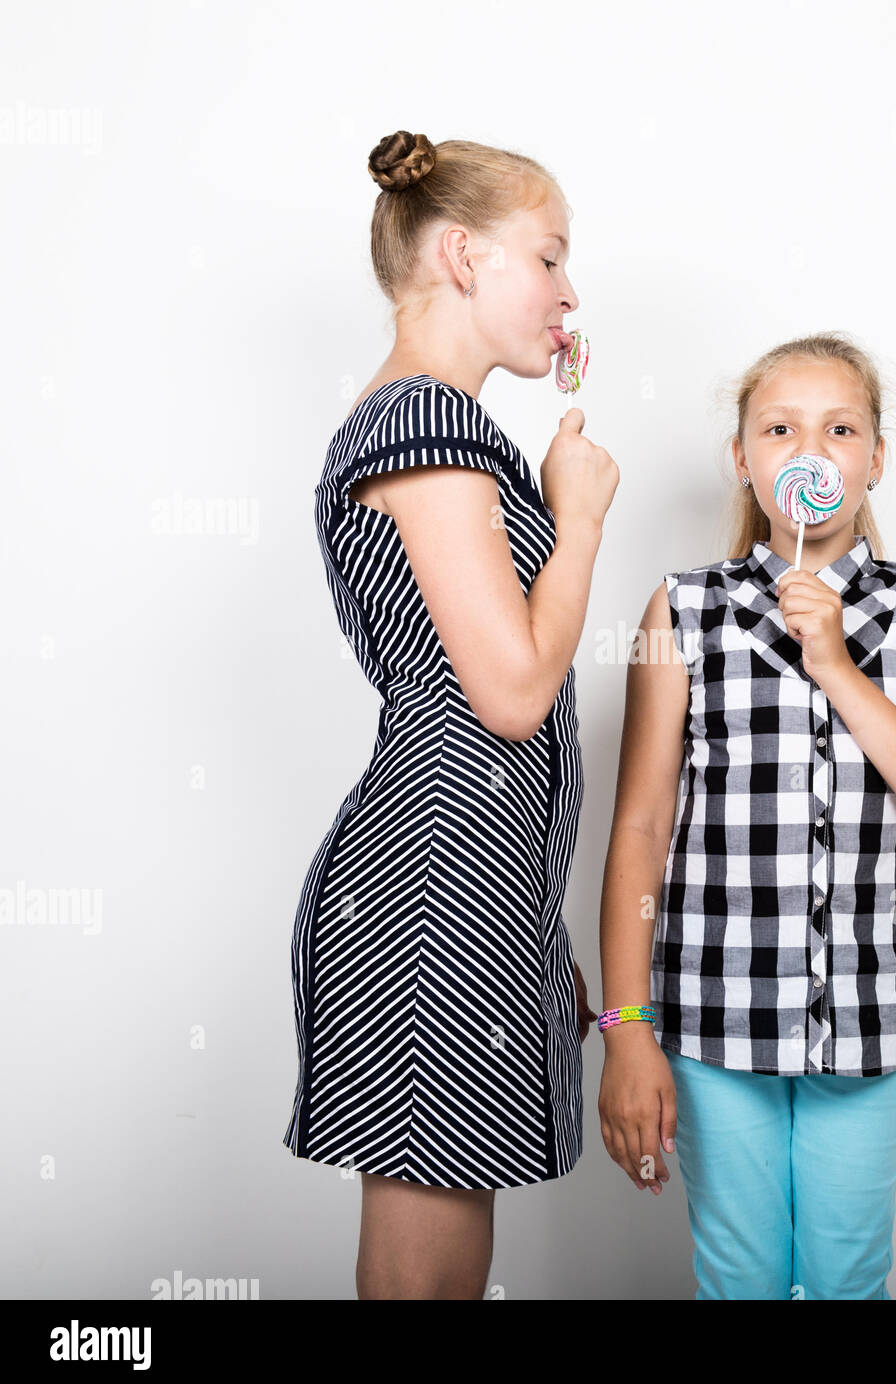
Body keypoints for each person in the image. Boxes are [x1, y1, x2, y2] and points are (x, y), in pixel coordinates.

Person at [283, 131, 617, 1300]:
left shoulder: (442, 430)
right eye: (550, 257)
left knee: (444, 1228)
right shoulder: (424, 430)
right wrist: (576, 520)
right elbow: (513, 692)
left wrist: (530, 916)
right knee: (425, 1251)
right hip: (433, 886)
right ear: (464, 255)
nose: (571, 295)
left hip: (468, 880)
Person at [597, 331, 896, 1299]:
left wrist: (837, 669)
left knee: (842, 1274)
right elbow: (641, 826)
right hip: (710, 1010)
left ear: (872, 458)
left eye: (838, 427)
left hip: (871, 1011)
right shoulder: (681, 611)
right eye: (778, 428)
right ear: (741, 458)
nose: (808, 450)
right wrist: (624, 1027)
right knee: (737, 1274)